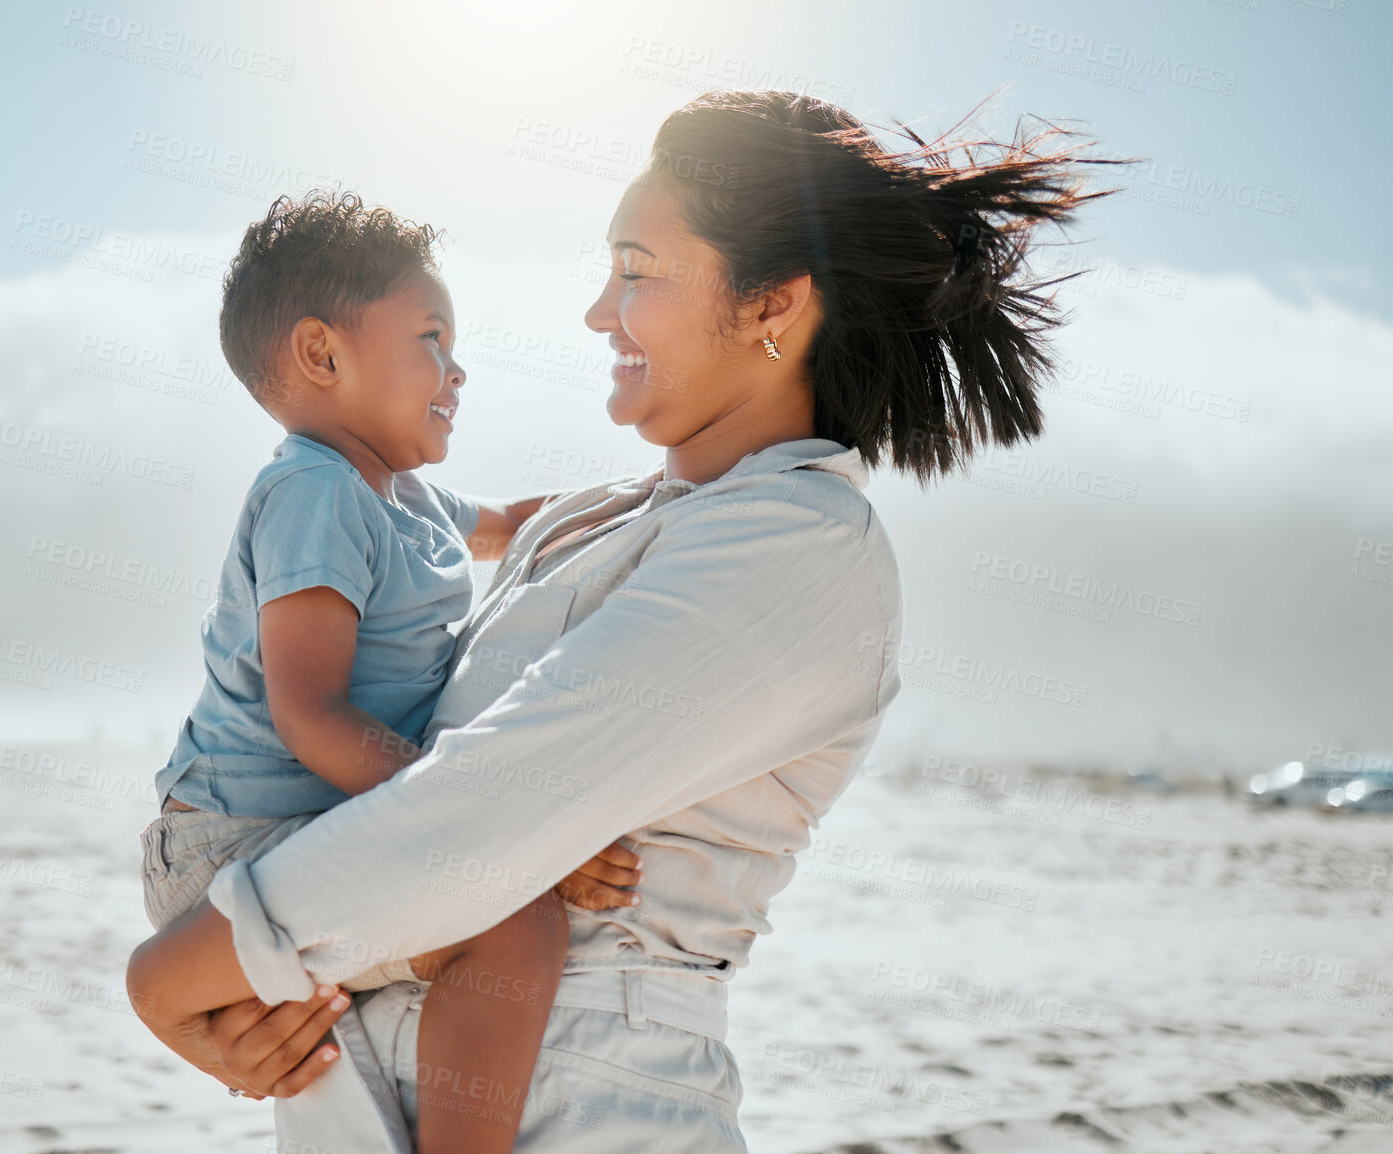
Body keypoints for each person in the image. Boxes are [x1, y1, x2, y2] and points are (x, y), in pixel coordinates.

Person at [128, 90, 1116, 1152]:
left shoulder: (796, 542)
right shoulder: (591, 522)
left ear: (773, 304)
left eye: (637, 271)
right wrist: (247, 996)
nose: (600, 311)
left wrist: (173, 978)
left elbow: (476, 808)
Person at [135, 190, 640, 1154]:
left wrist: (662, 493)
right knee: (514, 918)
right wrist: (487, 814)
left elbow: (518, 522)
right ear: (323, 355)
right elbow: (310, 714)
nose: (458, 371)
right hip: (230, 846)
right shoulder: (313, 492)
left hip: (309, 825)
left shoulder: (407, 498)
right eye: (432, 339)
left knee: (496, 920)